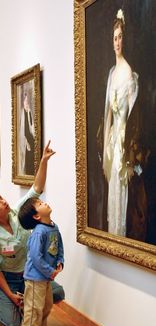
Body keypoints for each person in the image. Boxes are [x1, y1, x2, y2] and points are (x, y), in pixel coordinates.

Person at [0, 141, 65, 326]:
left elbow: (37, 187)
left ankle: (25, 304)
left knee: (57, 293)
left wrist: (44, 161)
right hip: (8, 279)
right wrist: (10, 295)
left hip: (30, 274)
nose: (4, 202)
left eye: (2, 198)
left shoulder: (16, 212)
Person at [102, 9, 140, 237]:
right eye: (114, 38)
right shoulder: (112, 73)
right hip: (112, 141)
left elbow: (132, 118)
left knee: (122, 190)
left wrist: (125, 148)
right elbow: (108, 113)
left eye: (120, 37)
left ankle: (121, 236)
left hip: (124, 143)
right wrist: (107, 141)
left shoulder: (129, 74)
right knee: (111, 192)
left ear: (125, 40)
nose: (117, 42)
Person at [18, 197, 64, 326]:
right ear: (37, 216)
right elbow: (36, 257)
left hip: (46, 277)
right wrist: (50, 271)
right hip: (35, 277)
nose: (44, 202)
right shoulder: (39, 233)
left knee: (46, 305)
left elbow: (59, 246)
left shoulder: (53, 227)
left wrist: (60, 260)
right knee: (34, 306)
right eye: (39, 204)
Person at [19, 92, 35, 175]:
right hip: (25, 140)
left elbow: (32, 128)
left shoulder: (29, 112)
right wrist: (26, 142)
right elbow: (22, 132)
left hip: (31, 139)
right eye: (25, 101)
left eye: (27, 101)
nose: (26, 103)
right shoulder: (22, 114)